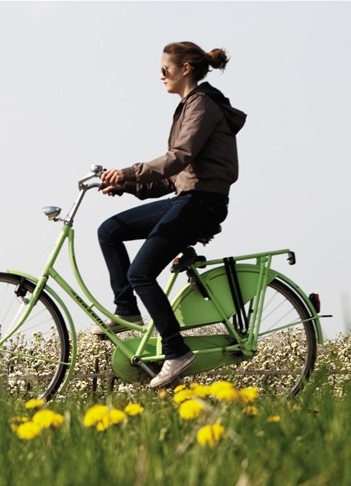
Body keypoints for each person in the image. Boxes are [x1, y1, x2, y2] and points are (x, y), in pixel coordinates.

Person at [95, 41, 247, 389]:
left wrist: (129, 171)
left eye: (165, 69)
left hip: (202, 203)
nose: (161, 75)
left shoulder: (202, 106)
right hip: (186, 199)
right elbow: (172, 177)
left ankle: (176, 351)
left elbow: (178, 157)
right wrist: (126, 186)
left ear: (185, 69)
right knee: (110, 230)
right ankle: (127, 311)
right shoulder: (186, 108)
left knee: (141, 272)